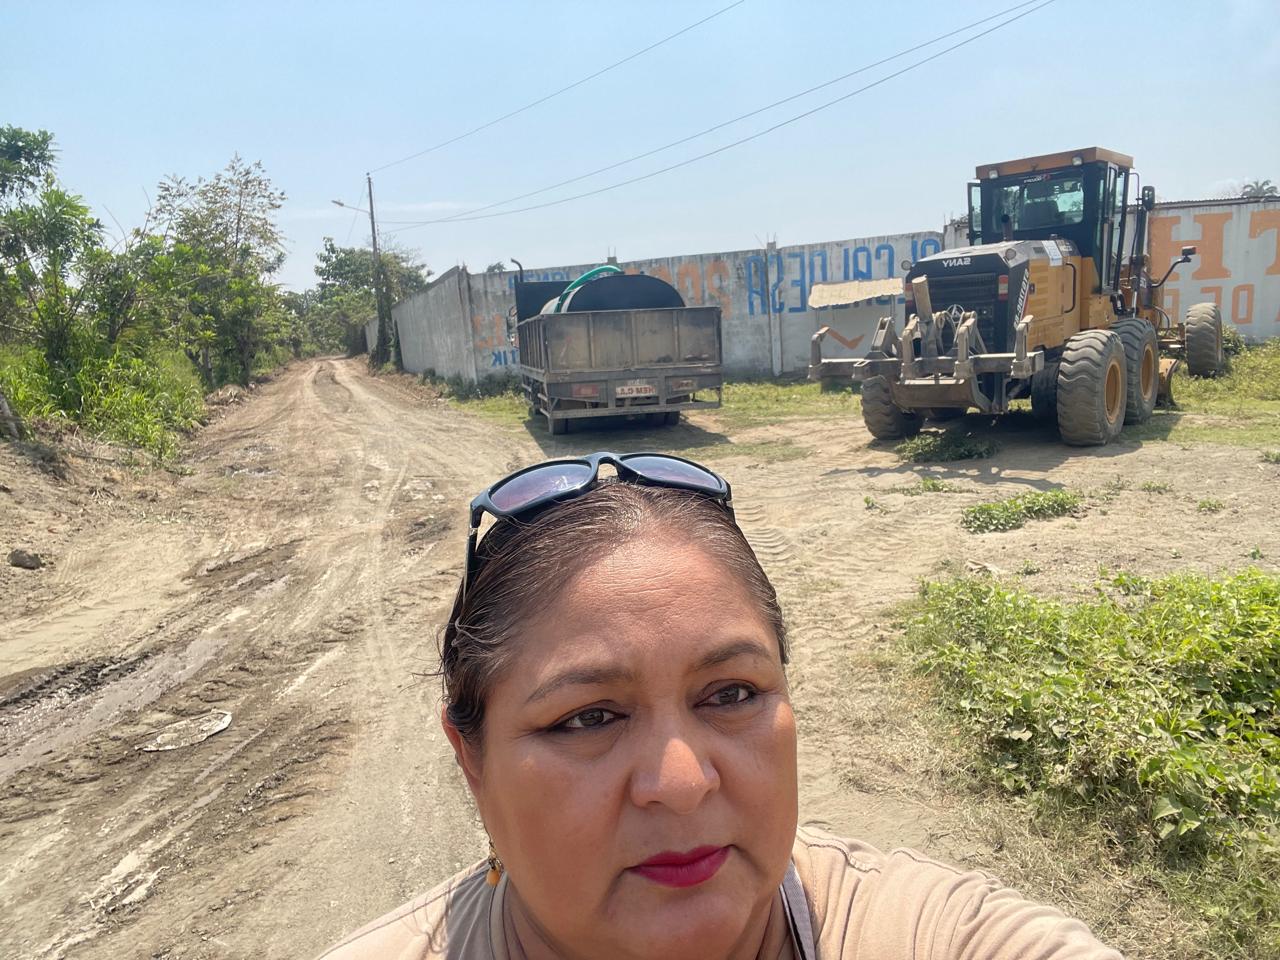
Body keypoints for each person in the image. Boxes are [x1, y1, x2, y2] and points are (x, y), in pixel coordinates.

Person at [319, 452, 1122, 960]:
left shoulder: (935, 935)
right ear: (472, 759)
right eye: (588, 717)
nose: (682, 783)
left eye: (731, 694)